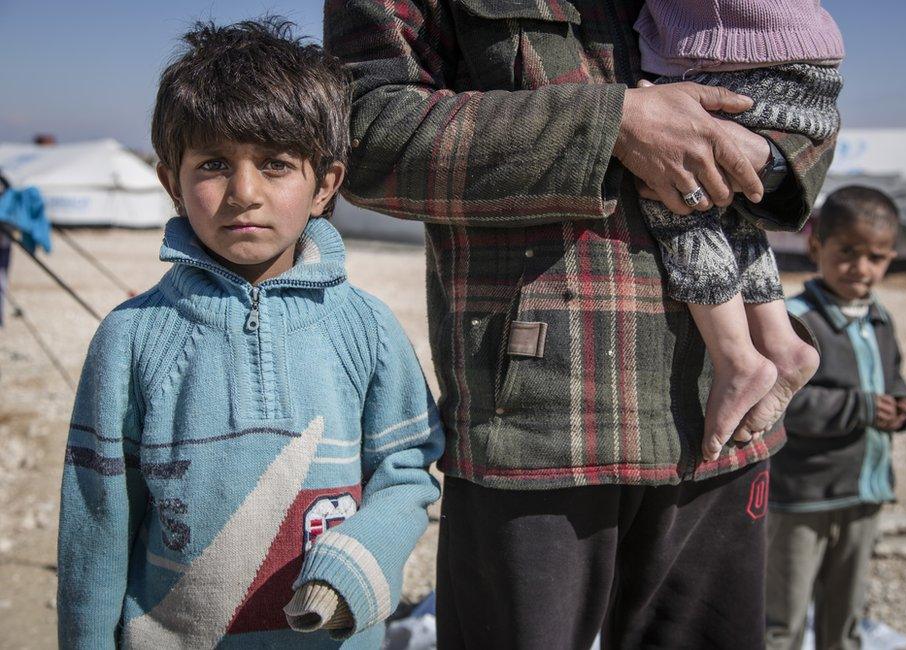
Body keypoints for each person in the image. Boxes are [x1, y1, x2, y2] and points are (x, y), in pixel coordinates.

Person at [324, 0, 836, 645]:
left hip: (724, 408)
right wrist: (613, 122)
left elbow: (800, 70)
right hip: (541, 414)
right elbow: (365, 135)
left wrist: (755, 151)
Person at [56, 19, 443, 648]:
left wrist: (357, 565)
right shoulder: (130, 340)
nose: (244, 193)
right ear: (170, 183)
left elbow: (406, 471)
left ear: (325, 184)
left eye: (275, 165)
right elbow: (95, 529)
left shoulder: (366, 329)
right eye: (213, 164)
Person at [635, 1, 843, 458]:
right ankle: (781, 344)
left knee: (672, 184)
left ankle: (737, 359)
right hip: (805, 63)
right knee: (731, 210)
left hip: (737, 57)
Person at [765, 186, 906, 650]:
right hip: (802, 497)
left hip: (861, 491)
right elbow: (779, 403)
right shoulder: (795, 318)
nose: (862, 268)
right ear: (816, 246)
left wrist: (901, 407)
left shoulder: (880, 318)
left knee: (844, 614)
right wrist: (861, 408)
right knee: (782, 618)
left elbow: (894, 379)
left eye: (876, 257)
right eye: (848, 252)